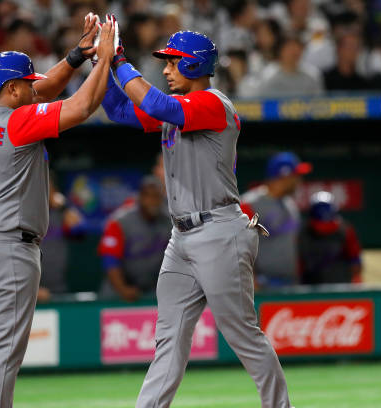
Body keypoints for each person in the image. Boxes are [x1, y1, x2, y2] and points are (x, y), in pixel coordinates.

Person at [100, 23, 292, 407]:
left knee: (243, 336)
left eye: (173, 63)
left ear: (194, 64)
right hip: (182, 237)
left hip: (220, 230)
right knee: (168, 339)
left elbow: (157, 105)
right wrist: (101, 63)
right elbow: (119, 109)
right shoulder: (178, 108)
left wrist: (120, 59)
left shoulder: (212, 102)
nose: (166, 70)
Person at [0, 14, 115, 408]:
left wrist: (76, 57)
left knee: (1, 351)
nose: (34, 88)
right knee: (4, 356)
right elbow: (82, 107)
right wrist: (105, 61)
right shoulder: (19, 121)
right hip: (5, 252)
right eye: (25, 85)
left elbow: (42, 92)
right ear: (11, 89)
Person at [241, 152, 312, 289]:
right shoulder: (250, 204)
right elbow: (237, 247)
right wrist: (250, 279)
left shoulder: (290, 205)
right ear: (283, 177)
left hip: (290, 282)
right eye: (295, 176)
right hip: (262, 284)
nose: (299, 181)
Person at [98, 176, 170, 302]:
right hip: (119, 291)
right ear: (140, 197)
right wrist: (122, 288)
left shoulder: (169, 221)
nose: (153, 201)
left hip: (153, 290)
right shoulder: (119, 221)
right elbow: (110, 259)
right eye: (148, 196)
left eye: (156, 197)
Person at [299, 191, 362, 285]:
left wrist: (355, 281)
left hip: (340, 286)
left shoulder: (344, 230)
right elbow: (299, 264)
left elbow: (355, 260)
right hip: (311, 286)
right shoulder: (304, 233)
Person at [39, 174, 85, 298]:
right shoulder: (23, 215)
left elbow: (80, 230)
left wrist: (65, 207)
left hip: (58, 287)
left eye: (48, 188)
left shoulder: (60, 214)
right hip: (30, 289)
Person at [256, 34, 324, 97]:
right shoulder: (267, 76)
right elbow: (263, 103)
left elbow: (319, 103)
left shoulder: (313, 74)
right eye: (289, 48)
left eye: (298, 47)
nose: (294, 51)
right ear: (280, 51)